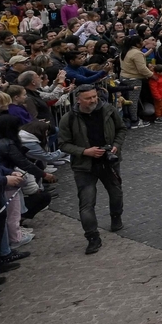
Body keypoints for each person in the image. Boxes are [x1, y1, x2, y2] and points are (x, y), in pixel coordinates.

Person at [57, 84, 125, 254]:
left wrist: (116, 146)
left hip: (109, 163)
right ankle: (92, 237)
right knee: (87, 203)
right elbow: (63, 144)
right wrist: (85, 152)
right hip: (84, 167)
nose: (93, 100)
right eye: (88, 98)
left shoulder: (107, 109)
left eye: (95, 96)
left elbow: (121, 129)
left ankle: (116, 217)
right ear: (78, 99)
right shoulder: (68, 118)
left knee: (116, 193)